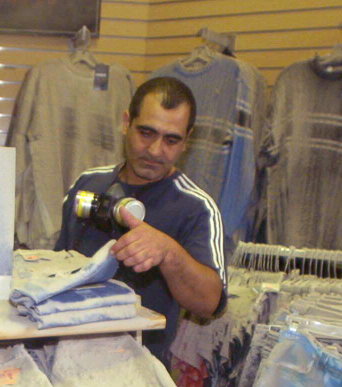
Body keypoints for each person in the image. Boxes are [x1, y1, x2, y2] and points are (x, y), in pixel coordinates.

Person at [56, 76, 226, 363]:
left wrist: (169, 253)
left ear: (187, 140)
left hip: (138, 373)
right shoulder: (87, 185)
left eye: (171, 140)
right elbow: (56, 270)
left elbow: (210, 303)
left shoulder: (196, 207)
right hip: (63, 358)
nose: (156, 150)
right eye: (146, 133)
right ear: (126, 122)